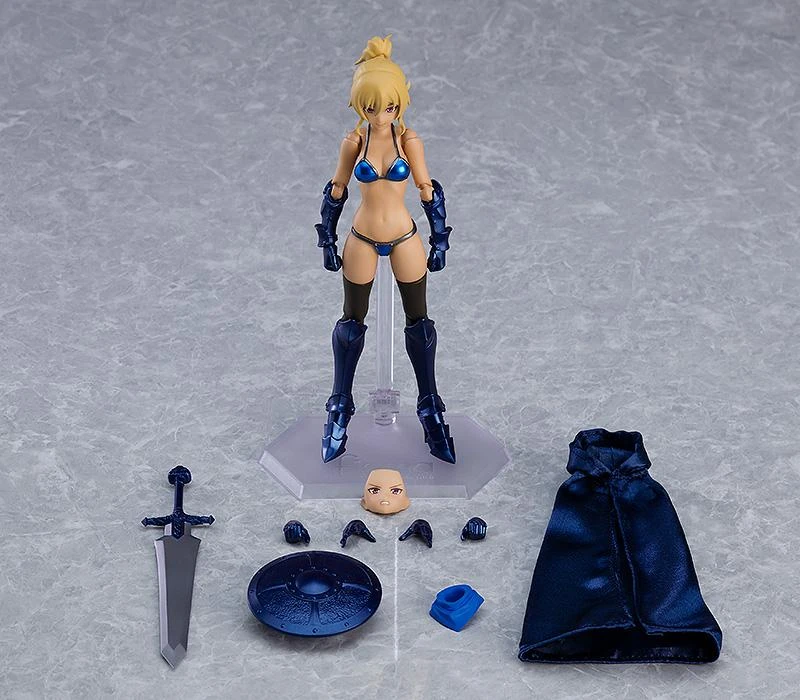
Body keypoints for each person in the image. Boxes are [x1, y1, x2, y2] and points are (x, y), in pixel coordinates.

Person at [315, 35, 456, 464]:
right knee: (350, 324)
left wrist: (439, 239)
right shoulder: (352, 143)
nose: (381, 115)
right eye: (372, 107)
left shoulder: (409, 142)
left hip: (404, 237)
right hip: (361, 236)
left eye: (389, 106)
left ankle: (430, 409)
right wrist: (327, 238)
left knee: (421, 325)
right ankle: (339, 408)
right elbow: (337, 190)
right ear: (360, 105)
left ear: (400, 103)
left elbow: (427, 189)